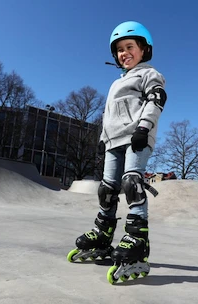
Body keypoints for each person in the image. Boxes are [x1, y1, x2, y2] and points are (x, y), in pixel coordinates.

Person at [74, 21, 167, 265]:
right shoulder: (117, 82)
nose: (124, 53)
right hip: (113, 141)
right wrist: (103, 139)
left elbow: (156, 99)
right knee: (106, 188)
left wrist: (144, 127)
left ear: (144, 49)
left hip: (136, 135)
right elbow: (111, 116)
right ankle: (103, 233)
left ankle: (137, 238)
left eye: (130, 46)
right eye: (119, 49)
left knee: (131, 181)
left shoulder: (149, 73)